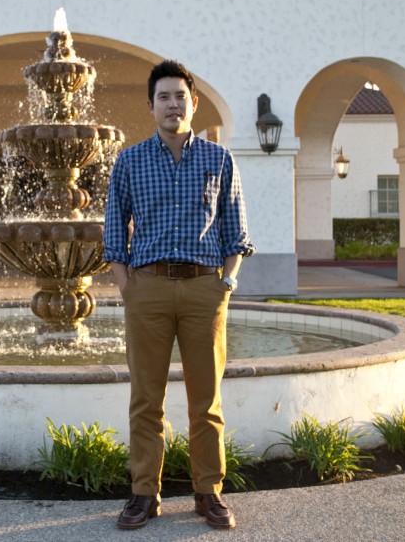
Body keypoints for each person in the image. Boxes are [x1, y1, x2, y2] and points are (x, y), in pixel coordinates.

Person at [103, 59, 255, 530]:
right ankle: (144, 494)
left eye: (180, 96)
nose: (173, 104)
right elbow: (113, 232)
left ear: (194, 102)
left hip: (203, 290)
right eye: (164, 97)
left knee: (205, 400)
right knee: (145, 398)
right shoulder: (128, 161)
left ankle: (208, 493)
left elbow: (237, 233)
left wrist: (225, 283)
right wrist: (128, 286)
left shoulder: (219, 159)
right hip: (146, 288)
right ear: (151, 106)